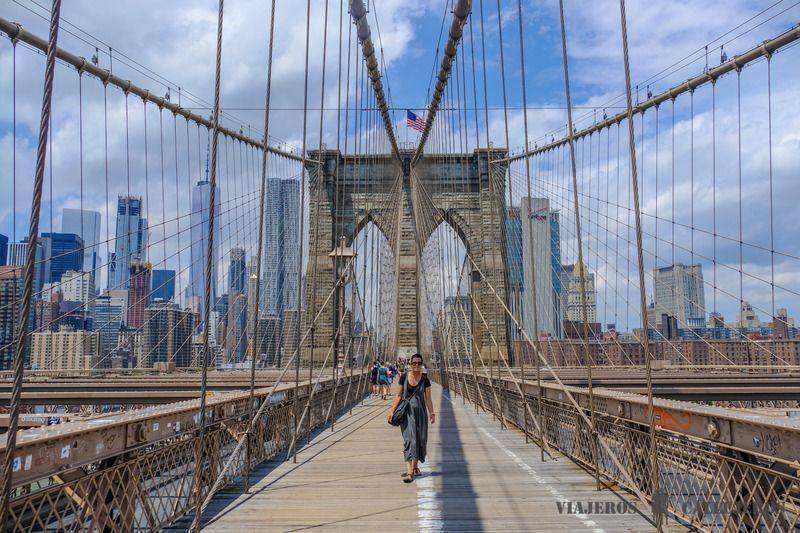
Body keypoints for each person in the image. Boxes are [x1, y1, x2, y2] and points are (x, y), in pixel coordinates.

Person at [387, 353, 435, 483]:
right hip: (407, 414)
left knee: (420, 439)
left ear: (422, 364)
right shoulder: (403, 377)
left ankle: (415, 467)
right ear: (410, 363)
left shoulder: (425, 380)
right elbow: (398, 395)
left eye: (419, 363)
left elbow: (428, 399)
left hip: (421, 414)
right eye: (414, 363)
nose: (416, 365)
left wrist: (432, 413)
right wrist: (392, 411)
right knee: (409, 440)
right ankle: (409, 472)